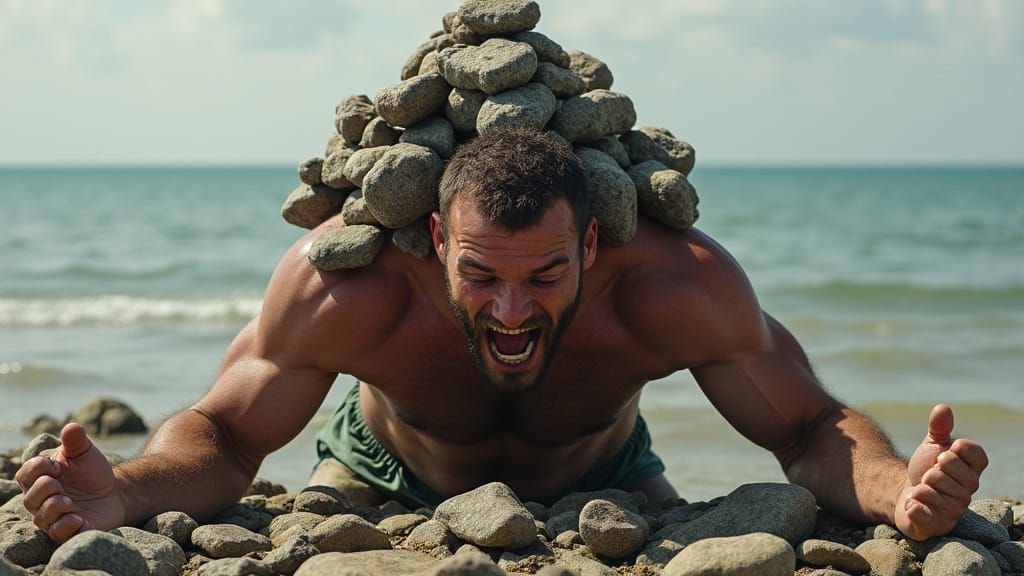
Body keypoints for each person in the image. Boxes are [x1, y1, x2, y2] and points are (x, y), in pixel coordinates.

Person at [17, 127, 987, 544]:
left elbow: (809, 426)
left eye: (545, 277)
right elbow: (226, 435)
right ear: (434, 241)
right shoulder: (352, 293)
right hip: (377, 475)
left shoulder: (672, 289)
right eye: (480, 276)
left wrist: (893, 487)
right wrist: (126, 494)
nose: (511, 312)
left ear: (592, 244)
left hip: (608, 477)